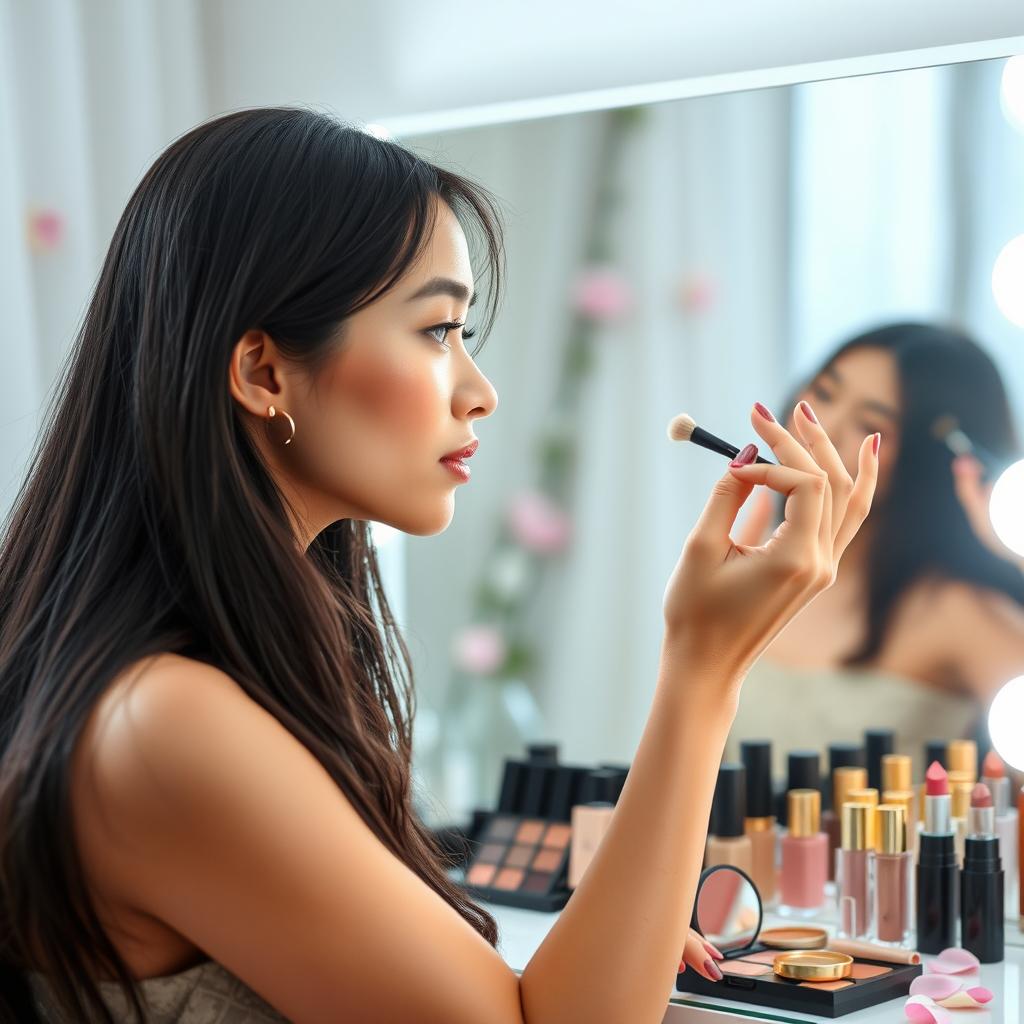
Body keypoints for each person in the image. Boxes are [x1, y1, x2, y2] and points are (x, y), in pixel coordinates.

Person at [0, 107, 877, 1024]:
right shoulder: (162, 725)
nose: (479, 390)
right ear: (263, 374)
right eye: (436, 331)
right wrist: (704, 670)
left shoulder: (210, 681)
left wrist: (627, 923)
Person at [727, 324, 1024, 776]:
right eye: (824, 393)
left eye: (872, 425)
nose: (823, 432)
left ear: (928, 463)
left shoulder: (956, 611)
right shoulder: (744, 565)